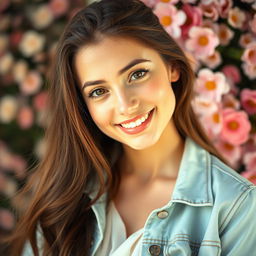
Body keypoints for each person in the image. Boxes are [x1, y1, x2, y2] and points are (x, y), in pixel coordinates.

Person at [7, 0, 256, 255]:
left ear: (173, 67)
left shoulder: (236, 207)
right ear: (83, 106)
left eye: (137, 74)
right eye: (99, 91)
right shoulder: (64, 199)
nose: (125, 105)